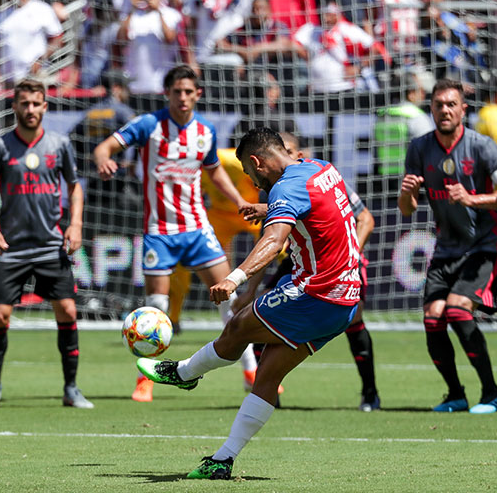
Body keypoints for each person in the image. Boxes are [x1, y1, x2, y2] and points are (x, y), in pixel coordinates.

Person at [136, 127, 362, 480]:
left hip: (315, 292)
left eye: (249, 173)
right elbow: (317, 206)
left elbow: (273, 241)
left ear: (257, 162)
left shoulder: (286, 188)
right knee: (268, 373)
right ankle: (223, 460)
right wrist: (267, 206)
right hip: (346, 301)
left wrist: (233, 278)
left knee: (239, 325)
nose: (253, 181)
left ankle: (184, 374)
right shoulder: (320, 168)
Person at [93, 65, 252, 403]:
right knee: (156, 309)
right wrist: (104, 159)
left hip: (197, 229)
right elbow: (104, 147)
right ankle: (145, 380)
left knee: (230, 300)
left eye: (188, 91)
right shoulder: (149, 125)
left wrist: (238, 200)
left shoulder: (205, 131)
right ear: (167, 94)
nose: (182, 97)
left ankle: (252, 373)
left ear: (198, 94)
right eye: (177, 91)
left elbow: (214, 172)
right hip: (159, 232)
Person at [398, 79, 497, 414]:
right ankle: (455, 394)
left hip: (483, 245)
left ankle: (492, 393)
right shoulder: (420, 148)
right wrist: (407, 192)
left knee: (455, 309)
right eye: (439, 105)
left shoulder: (481, 146)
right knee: (433, 318)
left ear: (463, 110)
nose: (444, 110)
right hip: (446, 248)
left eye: (451, 104)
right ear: (432, 109)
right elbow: (406, 208)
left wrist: (473, 199)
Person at [0, 78, 91, 410]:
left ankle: (71, 388)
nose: (30, 110)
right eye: (24, 103)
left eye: (36, 103)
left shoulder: (59, 144)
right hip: (11, 248)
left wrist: (76, 224)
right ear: (14, 107)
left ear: (45, 106)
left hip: (50, 244)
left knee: (67, 310)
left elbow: (75, 187)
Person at [243, 132, 378, 411]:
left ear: (295, 155)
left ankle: (370, 393)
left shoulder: (320, 176)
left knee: (355, 318)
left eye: (291, 152)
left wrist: (349, 258)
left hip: (339, 258)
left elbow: (365, 218)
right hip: (299, 258)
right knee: (255, 317)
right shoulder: (270, 185)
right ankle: (269, 393)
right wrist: (249, 290)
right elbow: (265, 244)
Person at [166, 143, 262, 389]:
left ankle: (251, 365)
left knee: (277, 248)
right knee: (180, 268)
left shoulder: (229, 160)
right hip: (218, 216)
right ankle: (173, 320)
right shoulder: (183, 171)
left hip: (249, 210)